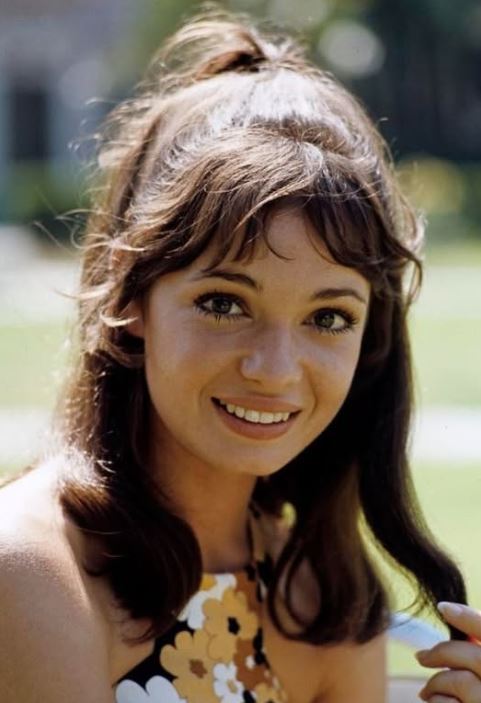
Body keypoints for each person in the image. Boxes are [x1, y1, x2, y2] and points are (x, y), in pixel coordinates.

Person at [1, 9, 480, 703]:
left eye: (327, 317)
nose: (275, 368)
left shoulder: (317, 596)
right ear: (130, 299)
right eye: (224, 303)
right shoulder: (33, 568)